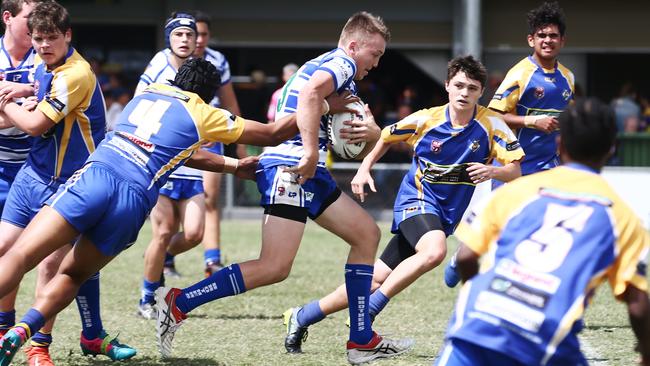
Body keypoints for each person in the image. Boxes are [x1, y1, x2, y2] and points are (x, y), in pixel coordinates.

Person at [0, 55, 316, 366]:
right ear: (208, 94)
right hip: (133, 197)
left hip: (98, 174)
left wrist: (232, 167)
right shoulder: (204, 113)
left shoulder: (147, 93)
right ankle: (21, 330)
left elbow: (174, 148)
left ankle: (20, 331)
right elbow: (274, 133)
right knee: (73, 273)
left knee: (22, 254)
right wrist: (318, 101)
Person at [154, 12, 415, 365]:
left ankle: (361, 339)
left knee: (366, 234)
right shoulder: (342, 63)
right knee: (274, 266)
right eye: (376, 54)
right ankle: (178, 302)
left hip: (309, 169)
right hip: (291, 167)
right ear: (354, 46)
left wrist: (366, 135)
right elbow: (309, 95)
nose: (377, 62)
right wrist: (310, 151)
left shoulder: (338, 71)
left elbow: (337, 125)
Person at [283, 55, 525, 354]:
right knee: (435, 251)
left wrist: (493, 171)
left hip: (444, 216)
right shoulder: (426, 118)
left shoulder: (492, 125)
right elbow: (385, 136)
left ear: (480, 93)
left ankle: (301, 316)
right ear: (448, 85)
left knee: (375, 279)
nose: (464, 93)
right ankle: (369, 312)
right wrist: (364, 168)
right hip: (417, 200)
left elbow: (515, 170)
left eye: (472, 88)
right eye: (459, 85)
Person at [435, 98, 650, 366]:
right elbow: (638, 303)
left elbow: (466, 258)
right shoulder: (621, 216)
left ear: (559, 145)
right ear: (611, 149)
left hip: (474, 329)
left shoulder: (518, 191)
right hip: (545, 344)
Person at [0, 1, 136, 364]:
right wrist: (22, 92)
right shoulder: (47, 66)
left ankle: (39, 348)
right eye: (38, 39)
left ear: (68, 36)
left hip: (70, 185)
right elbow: (39, 88)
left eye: (51, 39)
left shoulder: (76, 73)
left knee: (52, 267)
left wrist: (4, 98)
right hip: (31, 176)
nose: (43, 46)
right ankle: (3, 332)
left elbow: (34, 126)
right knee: (5, 251)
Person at [445, 1, 575, 287]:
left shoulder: (568, 78)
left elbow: (561, 118)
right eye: (541, 35)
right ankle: (462, 258)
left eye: (553, 35)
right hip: (513, 163)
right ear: (531, 40)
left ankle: (519, 286)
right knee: (499, 227)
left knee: (542, 228)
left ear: (562, 40)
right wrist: (532, 122)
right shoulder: (520, 74)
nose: (547, 40)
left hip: (547, 166)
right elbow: (493, 115)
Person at [134, 11, 210, 320]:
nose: (184, 39)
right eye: (178, 34)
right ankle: (146, 297)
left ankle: (157, 256)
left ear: (197, 40)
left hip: (191, 164)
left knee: (194, 234)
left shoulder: (203, 70)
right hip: (163, 165)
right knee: (164, 229)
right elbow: (139, 103)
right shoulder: (158, 65)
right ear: (169, 38)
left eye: (189, 35)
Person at [192, 10, 242, 277]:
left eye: (203, 34)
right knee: (176, 204)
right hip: (180, 139)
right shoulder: (173, 56)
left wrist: (241, 140)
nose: (198, 39)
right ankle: (165, 257)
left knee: (210, 198)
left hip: (211, 136)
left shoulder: (218, 60)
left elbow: (229, 100)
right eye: (194, 33)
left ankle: (212, 260)